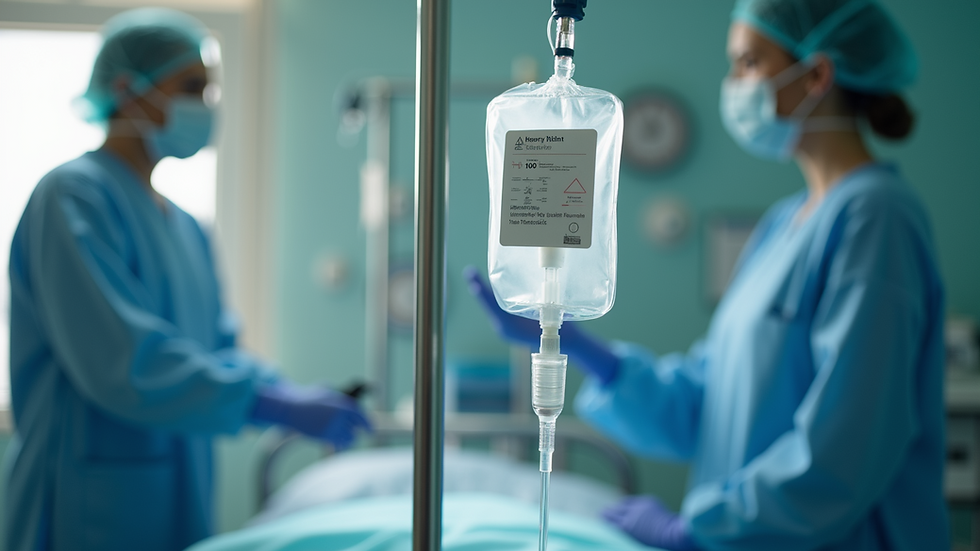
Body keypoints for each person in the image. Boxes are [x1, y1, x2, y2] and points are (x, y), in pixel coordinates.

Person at [467, 0, 948, 549]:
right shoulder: (783, 225)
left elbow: (850, 443)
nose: (733, 84)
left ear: (817, 75)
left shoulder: (875, 217)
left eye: (747, 63)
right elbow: (710, 405)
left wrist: (697, 529)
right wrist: (592, 355)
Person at [4, 8, 370, 551]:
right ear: (128, 90)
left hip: (179, 490)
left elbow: (215, 347)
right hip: (86, 498)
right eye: (192, 86)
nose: (206, 105)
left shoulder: (186, 227)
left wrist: (278, 389)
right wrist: (264, 404)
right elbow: (124, 359)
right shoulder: (72, 198)